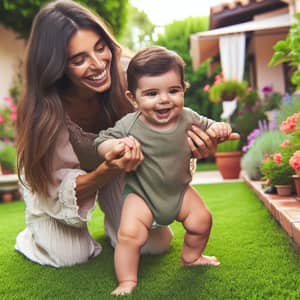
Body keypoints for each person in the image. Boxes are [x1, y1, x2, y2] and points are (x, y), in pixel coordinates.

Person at [14, 0, 217, 268]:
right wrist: (105, 170)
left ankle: (116, 224)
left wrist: (195, 145)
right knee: (68, 257)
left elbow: (172, 118)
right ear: (57, 66)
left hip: (119, 169)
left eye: (101, 48)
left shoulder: (131, 74)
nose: (98, 64)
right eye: (79, 59)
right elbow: (55, 184)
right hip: (55, 184)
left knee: (152, 245)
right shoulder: (44, 111)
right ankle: (35, 233)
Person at [95, 46, 239, 295]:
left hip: (179, 191)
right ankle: (127, 280)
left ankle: (192, 257)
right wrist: (115, 146)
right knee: (129, 236)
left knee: (202, 220)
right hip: (141, 194)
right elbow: (101, 141)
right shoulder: (130, 124)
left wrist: (219, 128)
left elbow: (211, 124)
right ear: (133, 98)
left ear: (183, 89)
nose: (164, 99)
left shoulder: (188, 117)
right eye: (151, 93)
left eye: (173, 91)